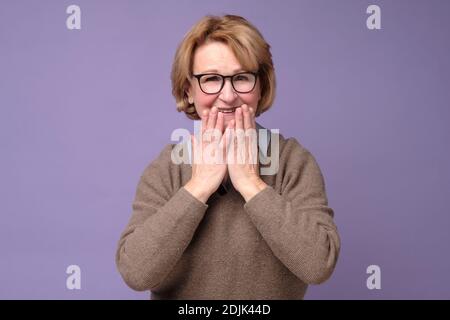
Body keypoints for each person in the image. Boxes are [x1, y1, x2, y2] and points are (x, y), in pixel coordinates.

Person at [116, 14, 340, 299]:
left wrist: (250, 183)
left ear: (260, 86)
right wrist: (199, 186)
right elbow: (135, 272)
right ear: (189, 90)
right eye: (211, 79)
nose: (228, 95)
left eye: (241, 78)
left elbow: (318, 266)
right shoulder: (168, 167)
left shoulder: (292, 161)